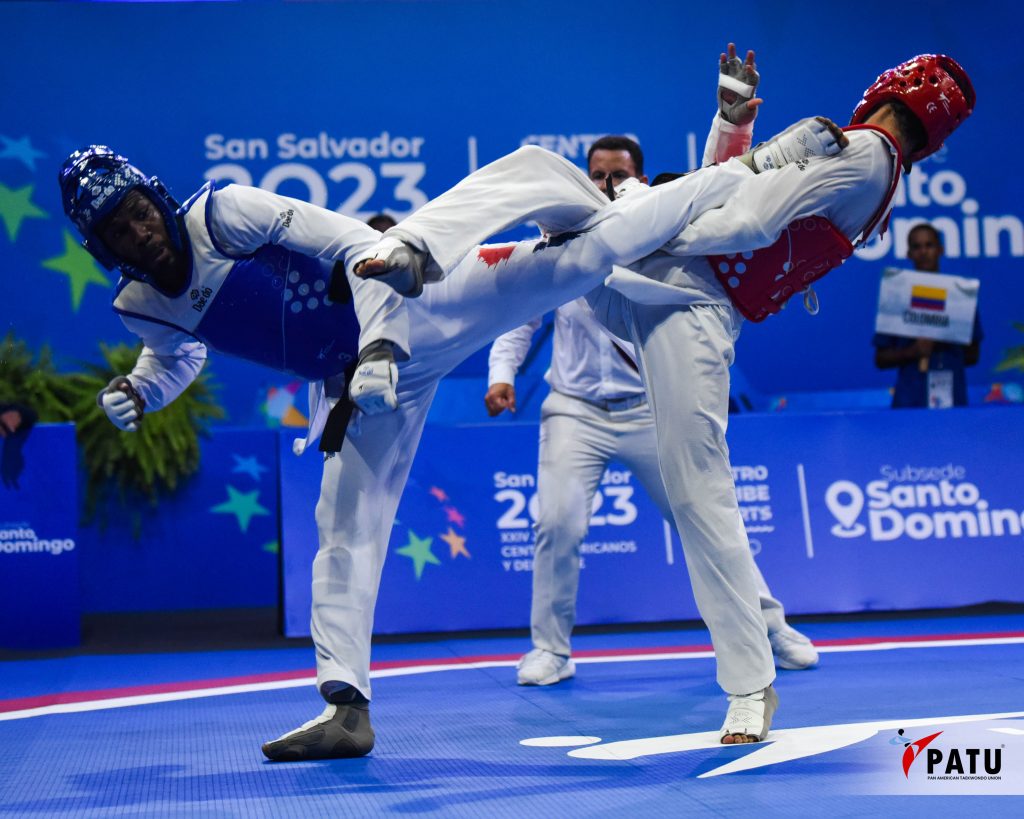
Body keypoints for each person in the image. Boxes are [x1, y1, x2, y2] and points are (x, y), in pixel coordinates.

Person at [57, 113, 840, 759]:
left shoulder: (221, 212)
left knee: (583, 231)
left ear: (151, 196)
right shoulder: (138, 305)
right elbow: (177, 352)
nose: (139, 233)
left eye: (135, 212)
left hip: (422, 301)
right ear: (104, 247)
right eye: (117, 232)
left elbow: (352, 246)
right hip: (360, 384)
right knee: (345, 529)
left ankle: (760, 168)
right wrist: (141, 387)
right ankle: (346, 705)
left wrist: (381, 346)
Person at [354, 54, 975, 744]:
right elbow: (731, 186)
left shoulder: (862, 153)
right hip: (648, 279)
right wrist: (727, 131)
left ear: (889, 88)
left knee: (700, 497)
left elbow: (747, 221)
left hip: (687, 303)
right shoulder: (874, 164)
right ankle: (411, 256)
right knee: (538, 173)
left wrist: (646, 226)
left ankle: (751, 683)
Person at [487, 95, 816, 686]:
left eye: (618, 174)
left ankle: (771, 628)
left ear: (638, 176)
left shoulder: (662, 222)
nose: (606, 182)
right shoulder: (561, 230)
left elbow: (723, 180)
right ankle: (550, 651)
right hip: (575, 412)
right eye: (597, 174)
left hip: (651, 407)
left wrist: (732, 122)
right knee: (557, 525)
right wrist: (501, 377)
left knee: (707, 518)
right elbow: (521, 314)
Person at [873, 222, 982, 408]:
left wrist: (944, 337)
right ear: (908, 253)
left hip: (952, 400)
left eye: (929, 245)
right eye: (917, 246)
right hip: (909, 401)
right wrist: (913, 351)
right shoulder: (896, 297)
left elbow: (973, 355)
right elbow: (880, 359)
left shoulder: (959, 297)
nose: (923, 251)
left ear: (940, 249)